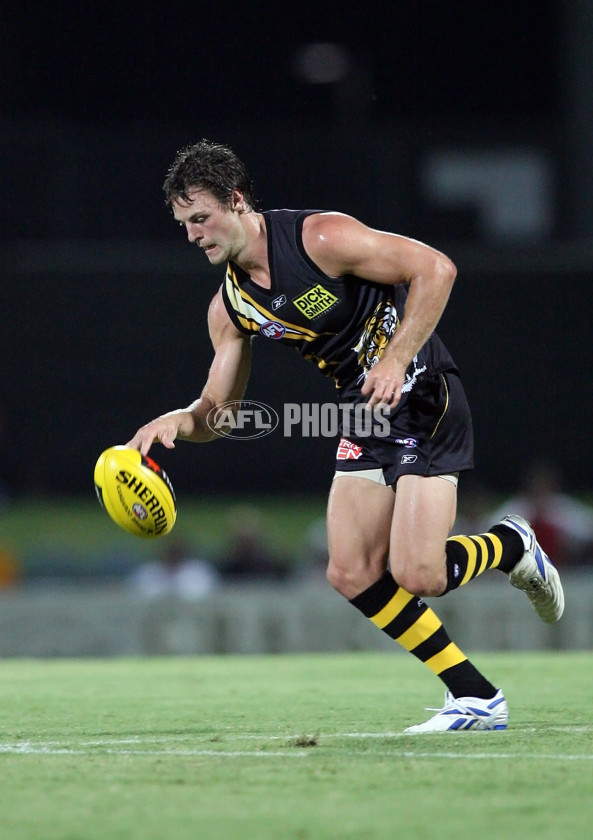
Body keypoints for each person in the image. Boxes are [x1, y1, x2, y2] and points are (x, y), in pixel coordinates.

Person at [126, 140, 564, 733]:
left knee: (421, 574)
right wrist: (180, 420)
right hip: (362, 412)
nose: (193, 235)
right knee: (350, 570)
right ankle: (476, 697)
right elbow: (220, 413)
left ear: (236, 201)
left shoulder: (320, 238)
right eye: (183, 225)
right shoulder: (229, 309)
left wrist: (396, 356)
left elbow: (436, 269)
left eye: (200, 218)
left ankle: (512, 546)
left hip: (421, 392)